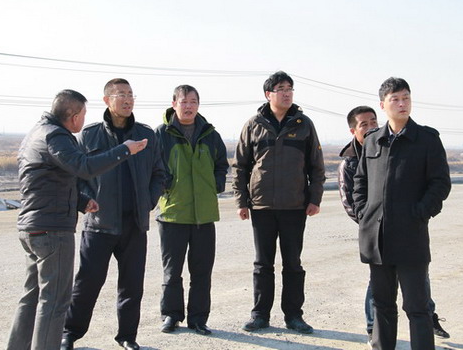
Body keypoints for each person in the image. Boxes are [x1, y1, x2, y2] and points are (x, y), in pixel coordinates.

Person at [6, 89, 148, 350]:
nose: (84, 119)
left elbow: (47, 178)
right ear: (73, 116)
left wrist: (81, 202)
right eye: (83, 113)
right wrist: (124, 150)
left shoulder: (36, 132)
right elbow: (84, 167)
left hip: (33, 226)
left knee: (32, 297)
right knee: (54, 301)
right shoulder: (56, 136)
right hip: (51, 230)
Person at [60, 79, 167, 350]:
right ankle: (69, 333)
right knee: (87, 283)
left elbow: (160, 173)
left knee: (132, 286)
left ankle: (127, 336)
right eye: (121, 94)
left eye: (131, 94)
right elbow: (75, 175)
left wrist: (149, 201)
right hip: (100, 223)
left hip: (134, 223)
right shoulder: (90, 135)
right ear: (107, 100)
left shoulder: (146, 135)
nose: (128, 99)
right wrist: (85, 200)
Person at [352, 77, 451, 350]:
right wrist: (364, 213)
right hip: (377, 237)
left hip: (410, 236)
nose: (401, 103)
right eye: (395, 99)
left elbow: (440, 183)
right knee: (382, 305)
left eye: (406, 98)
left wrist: (420, 213)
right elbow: (360, 181)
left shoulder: (426, 139)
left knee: (417, 307)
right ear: (382, 105)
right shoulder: (373, 140)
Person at [232, 71, 326, 334]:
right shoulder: (253, 125)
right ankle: (260, 315)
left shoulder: (304, 124)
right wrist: (241, 201)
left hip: (295, 206)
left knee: (293, 263)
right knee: (263, 264)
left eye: (290, 89)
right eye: (281, 89)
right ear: (268, 94)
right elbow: (240, 166)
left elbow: (316, 167)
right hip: (261, 206)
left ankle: (294, 316)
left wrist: (315, 199)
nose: (287, 93)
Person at [155, 85, 228, 336]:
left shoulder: (210, 134)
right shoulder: (161, 134)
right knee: (172, 271)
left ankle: (198, 319)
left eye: (193, 102)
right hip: (173, 213)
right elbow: (152, 166)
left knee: (201, 272)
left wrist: (216, 185)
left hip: (204, 215)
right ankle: (171, 315)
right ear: (174, 104)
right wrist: (166, 186)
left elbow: (222, 165)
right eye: (184, 101)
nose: (188, 106)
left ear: (198, 105)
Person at [337, 106, 378, 346]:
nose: (371, 128)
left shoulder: (388, 149)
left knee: (417, 275)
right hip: (374, 231)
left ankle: (428, 315)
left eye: (374, 122)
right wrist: (372, 225)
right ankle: (373, 328)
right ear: (354, 130)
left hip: (402, 226)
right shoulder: (349, 163)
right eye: (364, 124)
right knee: (378, 280)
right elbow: (350, 204)